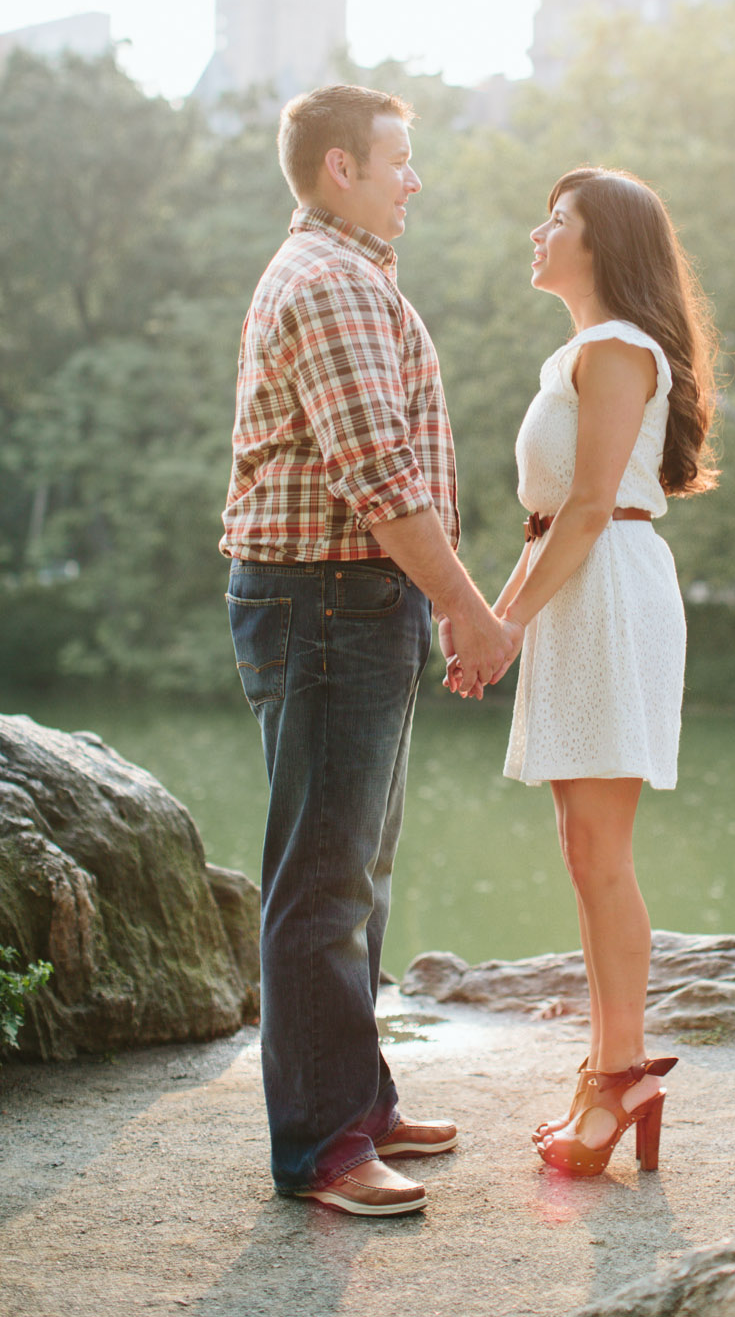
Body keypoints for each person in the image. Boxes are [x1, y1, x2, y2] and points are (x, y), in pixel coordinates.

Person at [223, 82, 517, 1217]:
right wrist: (470, 610)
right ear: (341, 167)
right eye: (401, 157)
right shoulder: (332, 283)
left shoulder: (352, 275)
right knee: (322, 877)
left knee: (358, 865)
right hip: (329, 600)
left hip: (348, 601)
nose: (416, 176)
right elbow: (382, 484)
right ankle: (323, 1147)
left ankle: (360, 1101)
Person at [445, 166, 717, 1177]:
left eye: (556, 221)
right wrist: (489, 624)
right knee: (583, 848)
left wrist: (506, 624)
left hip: (606, 590)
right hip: (579, 587)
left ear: (601, 245)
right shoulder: (580, 352)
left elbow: (593, 508)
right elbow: (553, 515)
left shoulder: (614, 351)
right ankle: (610, 1072)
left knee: (602, 853)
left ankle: (614, 1081)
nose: (538, 232)